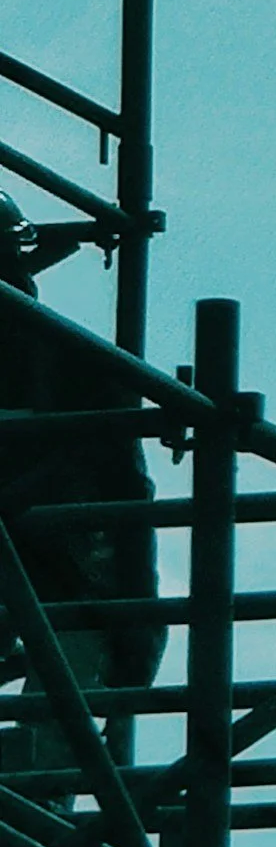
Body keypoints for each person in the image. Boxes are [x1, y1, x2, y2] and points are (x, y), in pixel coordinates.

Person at [0, 195, 164, 796]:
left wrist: (137, 621)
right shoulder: (63, 357)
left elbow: (119, 485)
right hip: (56, 574)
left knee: (50, 750)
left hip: (74, 577)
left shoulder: (68, 363)